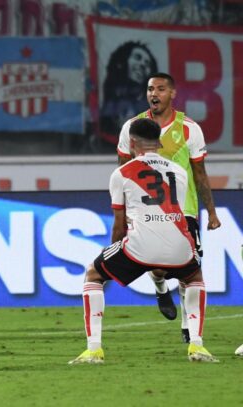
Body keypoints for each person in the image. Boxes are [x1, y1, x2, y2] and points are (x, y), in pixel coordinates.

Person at [71, 118, 217, 364]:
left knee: (93, 275)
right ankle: (197, 346)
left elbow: (119, 224)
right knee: (194, 278)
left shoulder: (121, 173)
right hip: (179, 245)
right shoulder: (180, 172)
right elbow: (176, 213)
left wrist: (114, 249)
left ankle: (94, 350)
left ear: (132, 142)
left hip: (140, 247)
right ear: (159, 142)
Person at [116, 72, 220, 343]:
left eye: (161, 89)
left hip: (184, 209)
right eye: (151, 89)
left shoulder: (189, 128)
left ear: (172, 94)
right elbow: (124, 169)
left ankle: (187, 327)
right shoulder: (132, 127)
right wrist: (125, 209)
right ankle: (160, 287)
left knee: (190, 269)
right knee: (158, 265)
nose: (154, 94)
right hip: (148, 209)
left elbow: (199, 172)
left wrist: (211, 211)